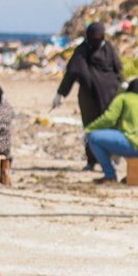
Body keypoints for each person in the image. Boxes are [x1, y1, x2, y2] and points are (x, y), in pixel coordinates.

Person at [54, 23, 124, 172]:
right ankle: (91, 160)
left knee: (109, 127)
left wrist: (123, 87)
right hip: (89, 98)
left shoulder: (108, 49)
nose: (96, 41)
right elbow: (71, 73)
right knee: (90, 127)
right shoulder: (82, 51)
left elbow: (118, 70)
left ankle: (109, 159)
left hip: (109, 96)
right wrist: (61, 93)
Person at [84, 77, 138, 182]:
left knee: (93, 138)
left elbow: (109, 118)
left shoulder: (124, 97)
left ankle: (110, 175)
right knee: (128, 136)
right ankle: (135, 174)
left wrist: (89, 129)